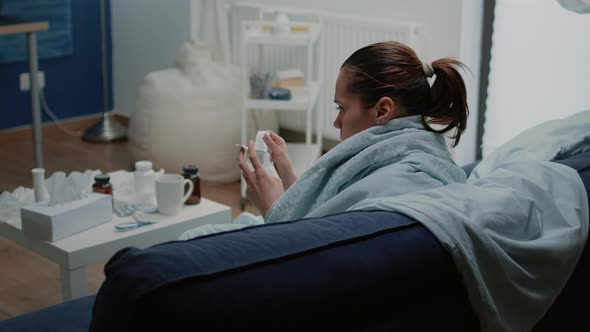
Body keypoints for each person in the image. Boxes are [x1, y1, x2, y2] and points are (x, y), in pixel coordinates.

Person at [238, 40, 469, 220]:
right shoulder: (405, 155)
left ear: (382, 111)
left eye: (342, 108)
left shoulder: (392, 184)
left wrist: (271, 207)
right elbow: (324, 212)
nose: (336, 123)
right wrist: (288, 177)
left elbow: (311, 255)